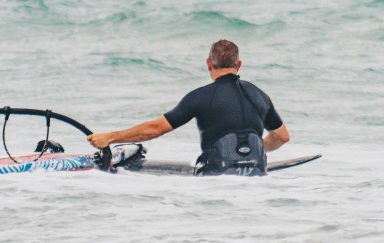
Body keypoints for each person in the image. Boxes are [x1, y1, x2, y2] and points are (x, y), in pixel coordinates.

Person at [87, 39, 290, 176]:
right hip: (257, 174)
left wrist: (110, 137)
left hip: (216, 178)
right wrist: (247, 154)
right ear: (239, 65)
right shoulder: (259, 95)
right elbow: (281, 137)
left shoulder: (200, 97)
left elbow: (156, 128)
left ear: (208, 64)